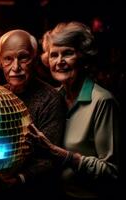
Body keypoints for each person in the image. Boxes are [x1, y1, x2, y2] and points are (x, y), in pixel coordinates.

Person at [0, 29, 66, 197]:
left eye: (23, 57)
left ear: (35, 58)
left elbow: (50, 157)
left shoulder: (51, 98)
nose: (15, 67)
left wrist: (19, 179)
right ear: (0, 62)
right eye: (8, 59)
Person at [28, 21, 120, 199]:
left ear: (83, 57)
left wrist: (64, 156)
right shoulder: (51, 98)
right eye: (54, 55)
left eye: (68, 53)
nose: (59, 61)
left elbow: (111, 171)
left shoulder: (102, 101)